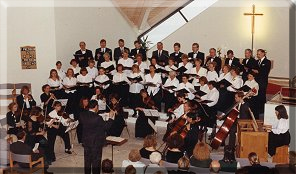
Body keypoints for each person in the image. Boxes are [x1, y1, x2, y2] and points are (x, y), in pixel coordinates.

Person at [80, 100, 115, 174]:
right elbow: (106, 127)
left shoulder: (82, 115)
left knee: (87, 161)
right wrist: (111, 117)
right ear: (96, 107)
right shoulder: (98, 118)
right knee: (96, 163)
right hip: (96, 143)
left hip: (86, 142)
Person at [252, 49, 271, 115]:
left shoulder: (267, 62)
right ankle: (256, 111)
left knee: (262, 96)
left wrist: (258, 71)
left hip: (263, 82)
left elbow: (265, 72)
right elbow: (253, 69)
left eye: (259, 54)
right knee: (256, 95)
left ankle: (262, 111)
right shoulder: (257, 61)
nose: (258, 55)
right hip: (256, 81)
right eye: (257, 54)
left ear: (263, 54)